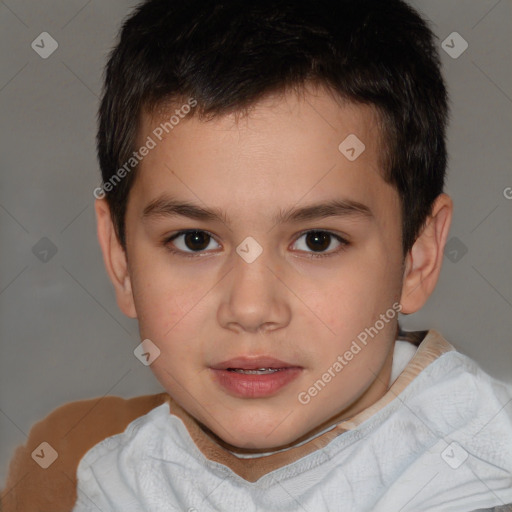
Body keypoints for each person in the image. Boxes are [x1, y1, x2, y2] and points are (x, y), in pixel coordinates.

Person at [2, 0, 511, 510]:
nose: (250, 309)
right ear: (119, 258)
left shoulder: (484, 475)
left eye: (318, 240)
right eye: (194, 241)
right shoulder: (114, 483)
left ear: (417, 257)